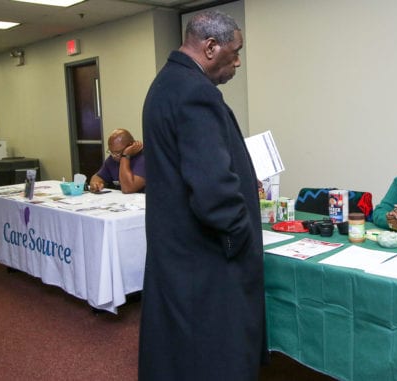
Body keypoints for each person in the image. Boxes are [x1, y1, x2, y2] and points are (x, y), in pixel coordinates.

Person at [139, 10, 267, 380]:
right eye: (236, 51)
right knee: (217, 355)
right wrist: (239, 237)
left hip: (179, 250)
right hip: (207, 257)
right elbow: (213, 190)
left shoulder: (166, 83)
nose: (239, 61)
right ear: (211, 47)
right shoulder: (197, 93)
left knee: (183, 352)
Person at [88, 128, 145, 194]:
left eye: (118, 152)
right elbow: (98, 176)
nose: (114, 156)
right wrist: (96, 183)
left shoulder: (144, 158)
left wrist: (125, 155)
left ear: (130, 145)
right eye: (111, 152)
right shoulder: (114, 158)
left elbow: (127, 189)